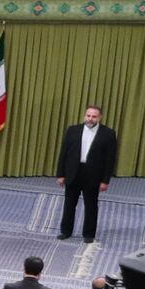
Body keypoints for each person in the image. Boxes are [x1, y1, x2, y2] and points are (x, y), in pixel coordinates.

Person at [54, 103, 118, 243]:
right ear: (85, 115)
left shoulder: (108, 134)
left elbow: (110, 160)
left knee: (91, 205)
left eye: (94, 116)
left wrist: (105, 181)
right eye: (88, 115)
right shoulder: (72, 130)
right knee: (69, 204)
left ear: (100, 117)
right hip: (73, 173)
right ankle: (66, 231)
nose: (90, 118)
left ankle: (89, 234)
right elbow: (63, 153)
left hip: (93, 175)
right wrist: (60, 174)